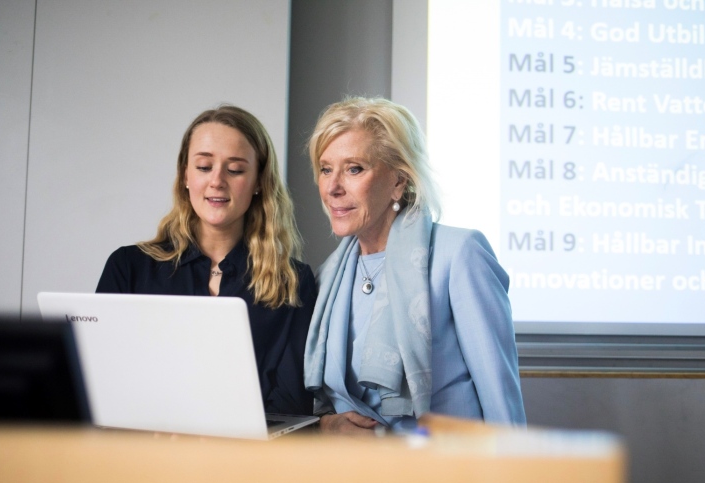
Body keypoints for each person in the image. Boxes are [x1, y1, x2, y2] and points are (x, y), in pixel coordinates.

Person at [304, 97, 526, 435]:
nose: (333, 188)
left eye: (354, 169)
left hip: (444, 477)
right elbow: (329, 402)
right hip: (354, 481)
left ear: (398, 181)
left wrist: (511, 481)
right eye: (325, 169)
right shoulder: (327, 277)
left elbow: (500, 400)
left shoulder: (459, 254)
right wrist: (330, 426)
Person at [97, 105, 316, 416]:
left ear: (258, 182)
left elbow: (291, 408)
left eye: (236, 169)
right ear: (185, 176)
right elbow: (100, 385)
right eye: (203, 167)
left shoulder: (293, 282)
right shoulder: (128, 267)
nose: (217, 181)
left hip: (246, 462)